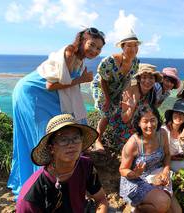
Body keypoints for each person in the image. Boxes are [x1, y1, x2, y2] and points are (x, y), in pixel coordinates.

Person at [8, 27, 106, 196]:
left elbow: (65, 84)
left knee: (57, 132)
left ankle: (51, 179)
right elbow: (51, 85)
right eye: (92, 45)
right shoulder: (69, 53)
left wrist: (80, 79)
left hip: (48, 96)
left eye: (99, 48)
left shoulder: (80, 60)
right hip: (33, 93)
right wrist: (82, 79)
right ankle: (42, 184)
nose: (95, 51)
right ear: (82, 40)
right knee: (43, 137)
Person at [16, 114, 108, 212]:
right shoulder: (32, 195)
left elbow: (101, 199)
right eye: (63, 140)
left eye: (76, 138)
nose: (71, 144)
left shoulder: (86, 165)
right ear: (51, 148)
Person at [119, 104, 182, 213]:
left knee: (177, 211)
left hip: (158, 175)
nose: (150, 125)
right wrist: (135, 174)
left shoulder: (162, 134)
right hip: (137, 180)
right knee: (162, 204)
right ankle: (137, 208)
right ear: (138, 123)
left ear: (158, 120)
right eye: (145, 121)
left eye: (153, 120)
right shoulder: (133, 143)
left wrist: (166, 171)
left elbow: (167, 155)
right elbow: (122, 170)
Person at [91, 29, 141, 152]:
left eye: (135, 45)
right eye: (129, 45)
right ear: (122, 47)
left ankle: (119, 138)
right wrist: (108, 99)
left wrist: (125, 96)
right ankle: (97, 140)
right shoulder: (110, 61)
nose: (133, 48)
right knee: (107, 113)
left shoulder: (135, 62)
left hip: (118, 87)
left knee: (119, 110)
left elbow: (128, 80)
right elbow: (103, 80)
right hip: (102, 87)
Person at [109, 63, 162, 144]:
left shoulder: (154, 92)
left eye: (151, 78)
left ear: (155, 80)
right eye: (144, 77)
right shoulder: (131, 89)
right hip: (123, 120)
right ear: (139, 79)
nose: (147, 81)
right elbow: (125, 119)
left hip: (138, 121)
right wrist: (131, 108)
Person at [162, 101, 184, 172]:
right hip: (168, 165)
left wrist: (182, 142)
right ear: (172, 115)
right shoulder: (164, 130)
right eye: (176, 113)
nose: (179, 116)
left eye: (182, 114)